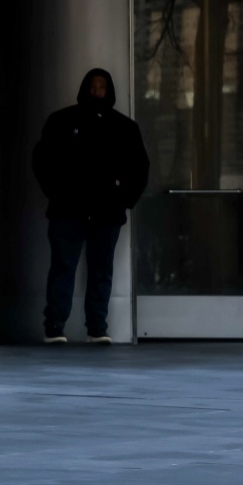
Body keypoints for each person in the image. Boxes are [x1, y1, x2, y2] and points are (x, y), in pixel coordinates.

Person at [30, 68, 149, 345]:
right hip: (67, 210)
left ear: (109, 91)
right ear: (86, 89)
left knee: (101, 270)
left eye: (102, 87)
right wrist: (55, 193)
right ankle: (55, 327)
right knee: (63, 267)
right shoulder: (62, 121)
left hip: (107, 211)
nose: (97, 92)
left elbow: (140, 167)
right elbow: (42, 159)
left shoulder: (124, 128)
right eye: (93, 87)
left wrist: (125, 199)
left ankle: (97, 328)